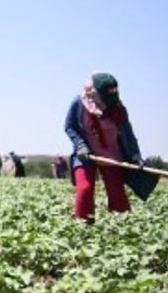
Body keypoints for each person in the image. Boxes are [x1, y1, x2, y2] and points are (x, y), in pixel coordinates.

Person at [64, 73, 156, 221]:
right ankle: (83, 226)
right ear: (95, 94)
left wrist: (135, 156)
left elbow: (128, 135)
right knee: (85, 189)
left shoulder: (118, 108)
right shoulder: (79, 104)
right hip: (86, 155)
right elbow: (69, 127)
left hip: (112, 157)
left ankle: (121, 227)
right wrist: (81, 145)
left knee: (116, 193)